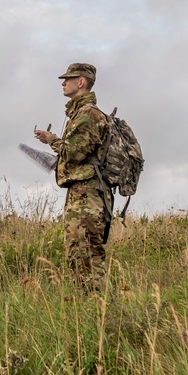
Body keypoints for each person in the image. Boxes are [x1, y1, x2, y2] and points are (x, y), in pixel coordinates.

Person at [34, 63, 113, 290]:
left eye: (68, 78)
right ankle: (87, 305)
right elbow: (80, 154)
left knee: (87, 252)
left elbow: (76, 152)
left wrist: (52, 139)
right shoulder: (79, 114)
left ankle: (97, 305)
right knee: (77, 253)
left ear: (81, 82)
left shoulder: (88, 114)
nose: (63, 83)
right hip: (81, 192)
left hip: (88, 194)